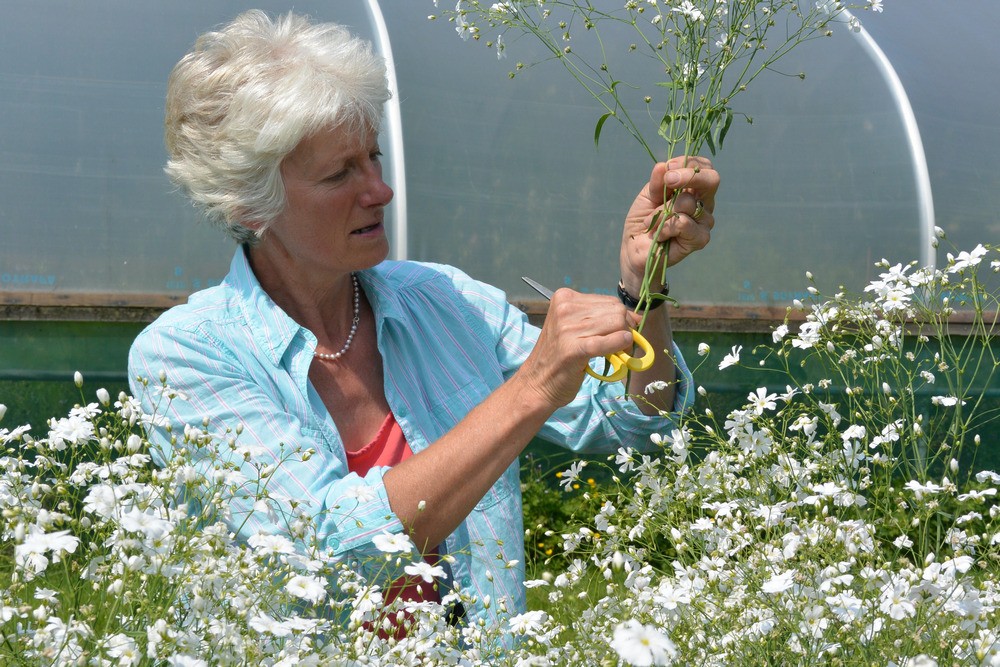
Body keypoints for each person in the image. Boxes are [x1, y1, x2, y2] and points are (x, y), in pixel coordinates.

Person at [128, 9, 718, 638]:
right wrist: (532, 390)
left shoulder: (443, 300)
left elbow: (631, 423)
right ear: (249, 204)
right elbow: (331, 554)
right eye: (340, 173)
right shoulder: (185, 357)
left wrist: (644, 285)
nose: (379, 190)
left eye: (374, 158)